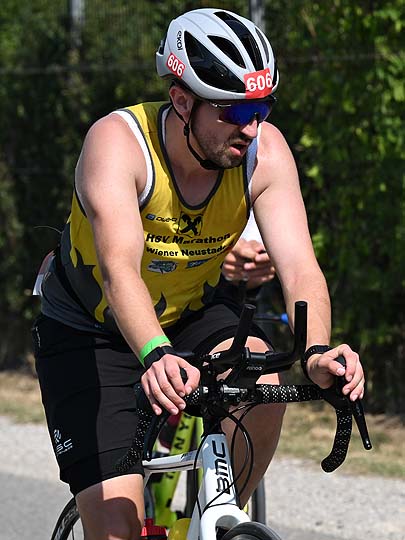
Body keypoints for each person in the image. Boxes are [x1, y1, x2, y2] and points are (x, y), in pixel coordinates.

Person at [32, 8, 365, 540]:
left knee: (263, 379)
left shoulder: (264, 152)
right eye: (236, 110)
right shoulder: (118, 144)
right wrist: (154, 354)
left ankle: (212, 523)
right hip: (91, 329)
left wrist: (317, 352)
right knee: (117, 527)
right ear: (183, 101)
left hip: (191, 310)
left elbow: (301, 268)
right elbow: (119, 271)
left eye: (263, 107)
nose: (252, 126)